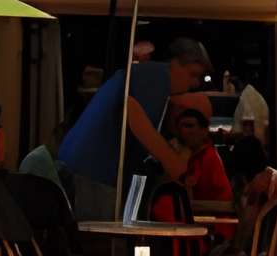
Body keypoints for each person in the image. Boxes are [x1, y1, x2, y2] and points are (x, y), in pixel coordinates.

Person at [58, 36, 211, 219]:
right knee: (100, 233)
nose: (195, 83)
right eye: (192, 74)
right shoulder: (155, 77)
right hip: (94, 172)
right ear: (175, 63)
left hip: (88, 170)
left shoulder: (152, 85)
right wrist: (172, 162)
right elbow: (134, 115)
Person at [157, 93, 233, 213]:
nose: (184, 131)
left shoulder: (209, 157)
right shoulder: (182, 154)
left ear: (204, 130)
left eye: (190, 126)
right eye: (181, 127)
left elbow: (222, 200)